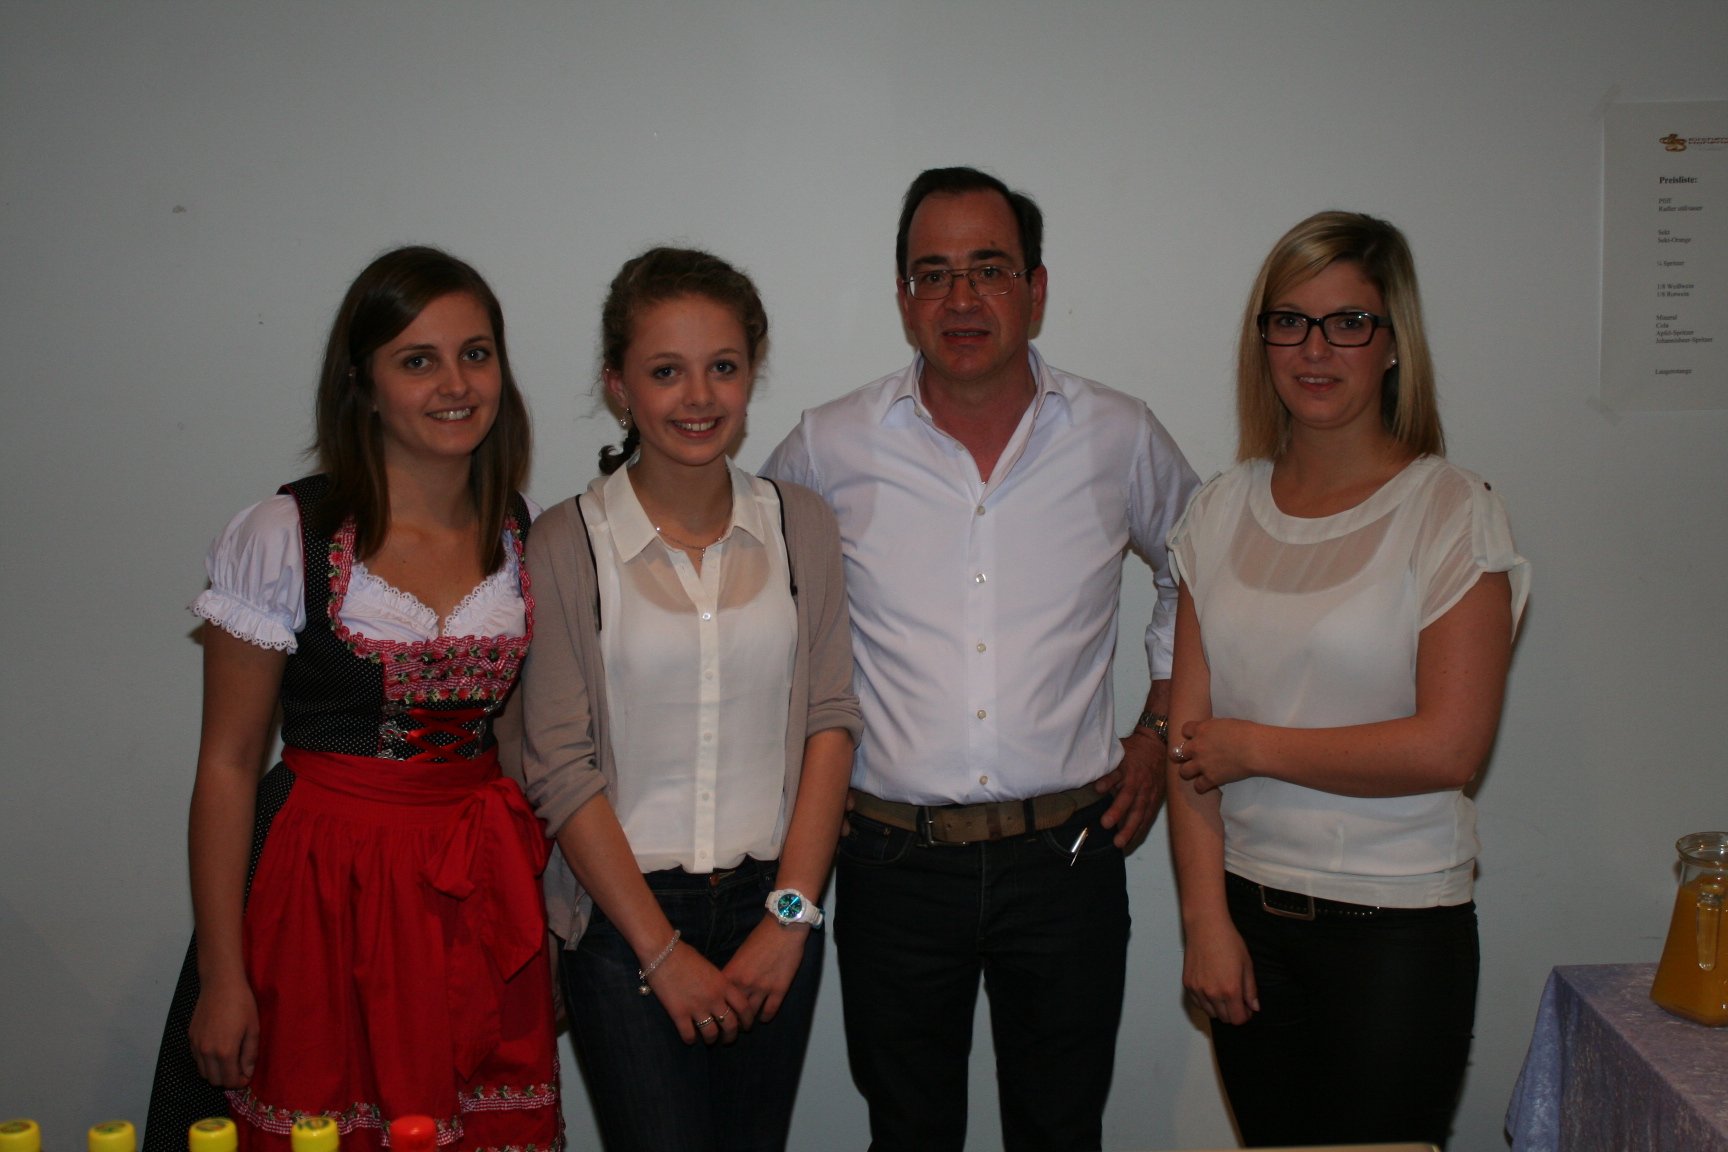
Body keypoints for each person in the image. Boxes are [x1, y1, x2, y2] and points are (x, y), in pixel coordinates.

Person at [760, 167, 1199, 1152]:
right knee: (908, 1134)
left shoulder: (1118, 434)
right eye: (935, 274)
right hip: (889, 859)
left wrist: (1159, 726)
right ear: (904, 297)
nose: (961, 299)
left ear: (1036, 289)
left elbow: (1204, 570)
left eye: (989, 270)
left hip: (1073, 853)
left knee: (1062, 1131)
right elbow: (754, 599)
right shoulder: (829, 445)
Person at [143, 247, 559, 1152]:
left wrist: (548, 922)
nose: (455, 384)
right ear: (363, 386)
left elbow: (525, 749)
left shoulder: (523, 533)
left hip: (475, 893)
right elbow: (227, 766)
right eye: (417, 360)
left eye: (476, 353)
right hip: (322, 890)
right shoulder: (286, 534)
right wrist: (222, 974)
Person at [1165, 211, 1531, 1149]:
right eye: (1289, 322)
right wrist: (1205, 922)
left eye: (1349, 323)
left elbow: (1448, 748)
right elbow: (1188, 749)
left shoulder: (1451, 512)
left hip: (1397, 929)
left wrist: (1256, 748)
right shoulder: (1219, 511)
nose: (1315, 349)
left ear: (1394, 343)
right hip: (1247, 916)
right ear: (1263, 343)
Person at [510, 247, 861, 1152]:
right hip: (621, 923)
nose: (699, 397)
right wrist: (661, 953)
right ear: (618, 386)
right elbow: (559, 767)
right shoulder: (565, 543)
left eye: (723, 367)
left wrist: (791, 920)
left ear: (751, 374)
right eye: (666, 371)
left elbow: (830, 724)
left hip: (775, 909)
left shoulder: (802, 524)